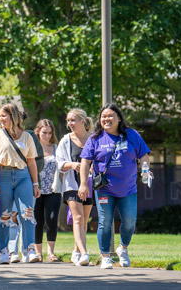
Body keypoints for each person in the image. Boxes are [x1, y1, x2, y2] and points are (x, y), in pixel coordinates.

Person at [79, 104, 151, 269]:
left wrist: (145, 171)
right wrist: (83, 184)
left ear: (119, 118)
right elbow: (85, 162)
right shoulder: (95, 138)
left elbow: (144, 156)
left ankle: (123, 249)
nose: (106, 119)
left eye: (110, 116)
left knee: (130, 221)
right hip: (105, 188)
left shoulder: (132, 135)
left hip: (128, 188)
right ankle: (105, 256)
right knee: (104, 222)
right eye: (103, 116)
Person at [0, 103, 41, 265]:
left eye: (4, 115)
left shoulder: (27, 136)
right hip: (2, 175)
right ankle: (3, 251)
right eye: (0, 116)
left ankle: (29, 249)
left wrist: (35, 184)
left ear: (13, 116)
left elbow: (31, 162)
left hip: (23, 176)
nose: (1, 119)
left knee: (27, 213)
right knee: (4, 215)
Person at [56, 108, 93, 266]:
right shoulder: (66, 140)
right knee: (77, 218)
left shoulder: (93, 138)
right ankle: (85, 253)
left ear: (82, 121)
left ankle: (76, 251)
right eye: (68, 121)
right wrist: (72, 164)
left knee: (84, 220)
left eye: (73, 120)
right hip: (72, 184)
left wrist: (94, 168)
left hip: (90, 183)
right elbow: (58, 162)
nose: (69, 123)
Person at [34, 119, 61, 262]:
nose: (47, 135)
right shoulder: (33, 147)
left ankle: (51, 252)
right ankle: (38, 252)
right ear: (38, 131)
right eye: (44, 132)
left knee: (51, 219)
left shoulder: (56, 147)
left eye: (50, 133)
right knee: (37, 221)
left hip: (53, 190)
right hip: (36, 189)